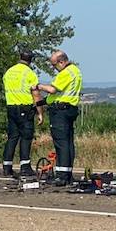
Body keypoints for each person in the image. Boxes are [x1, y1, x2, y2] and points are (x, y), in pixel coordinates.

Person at [36, 50, 82, 186]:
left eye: (54, 65)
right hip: (70, 109)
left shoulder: (65, 73)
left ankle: (61, 176)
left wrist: (38, 86)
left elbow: (52, 90)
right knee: (68, 143)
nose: (54, 68)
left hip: (60, 112)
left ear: (62, 62)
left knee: (61, 143)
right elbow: (57, 95)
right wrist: (42, 103)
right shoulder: (76, 71)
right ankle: (67, 174)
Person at [1, 50, 40, 178]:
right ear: (31, 61)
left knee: (12, 137)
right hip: (25, 107)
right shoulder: (30, 73)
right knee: (26, 137)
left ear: (20, 57)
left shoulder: (9, 72)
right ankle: (25, 166)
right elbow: (35, 93)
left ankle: (7, 167)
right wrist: (40, 112)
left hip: (11, 107)